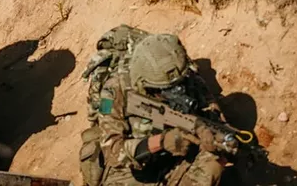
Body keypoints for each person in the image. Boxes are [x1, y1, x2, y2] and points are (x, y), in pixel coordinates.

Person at [79, 26, 227, 186]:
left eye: (178, 85)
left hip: (176, 158)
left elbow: (211, 109)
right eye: (164, 90)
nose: (177, 92)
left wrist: (206, 130)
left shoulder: (182, 73)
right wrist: (161, 142)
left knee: (215, 160)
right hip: (133, 169)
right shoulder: (111, 93)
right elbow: (113, 152)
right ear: (143, 84)